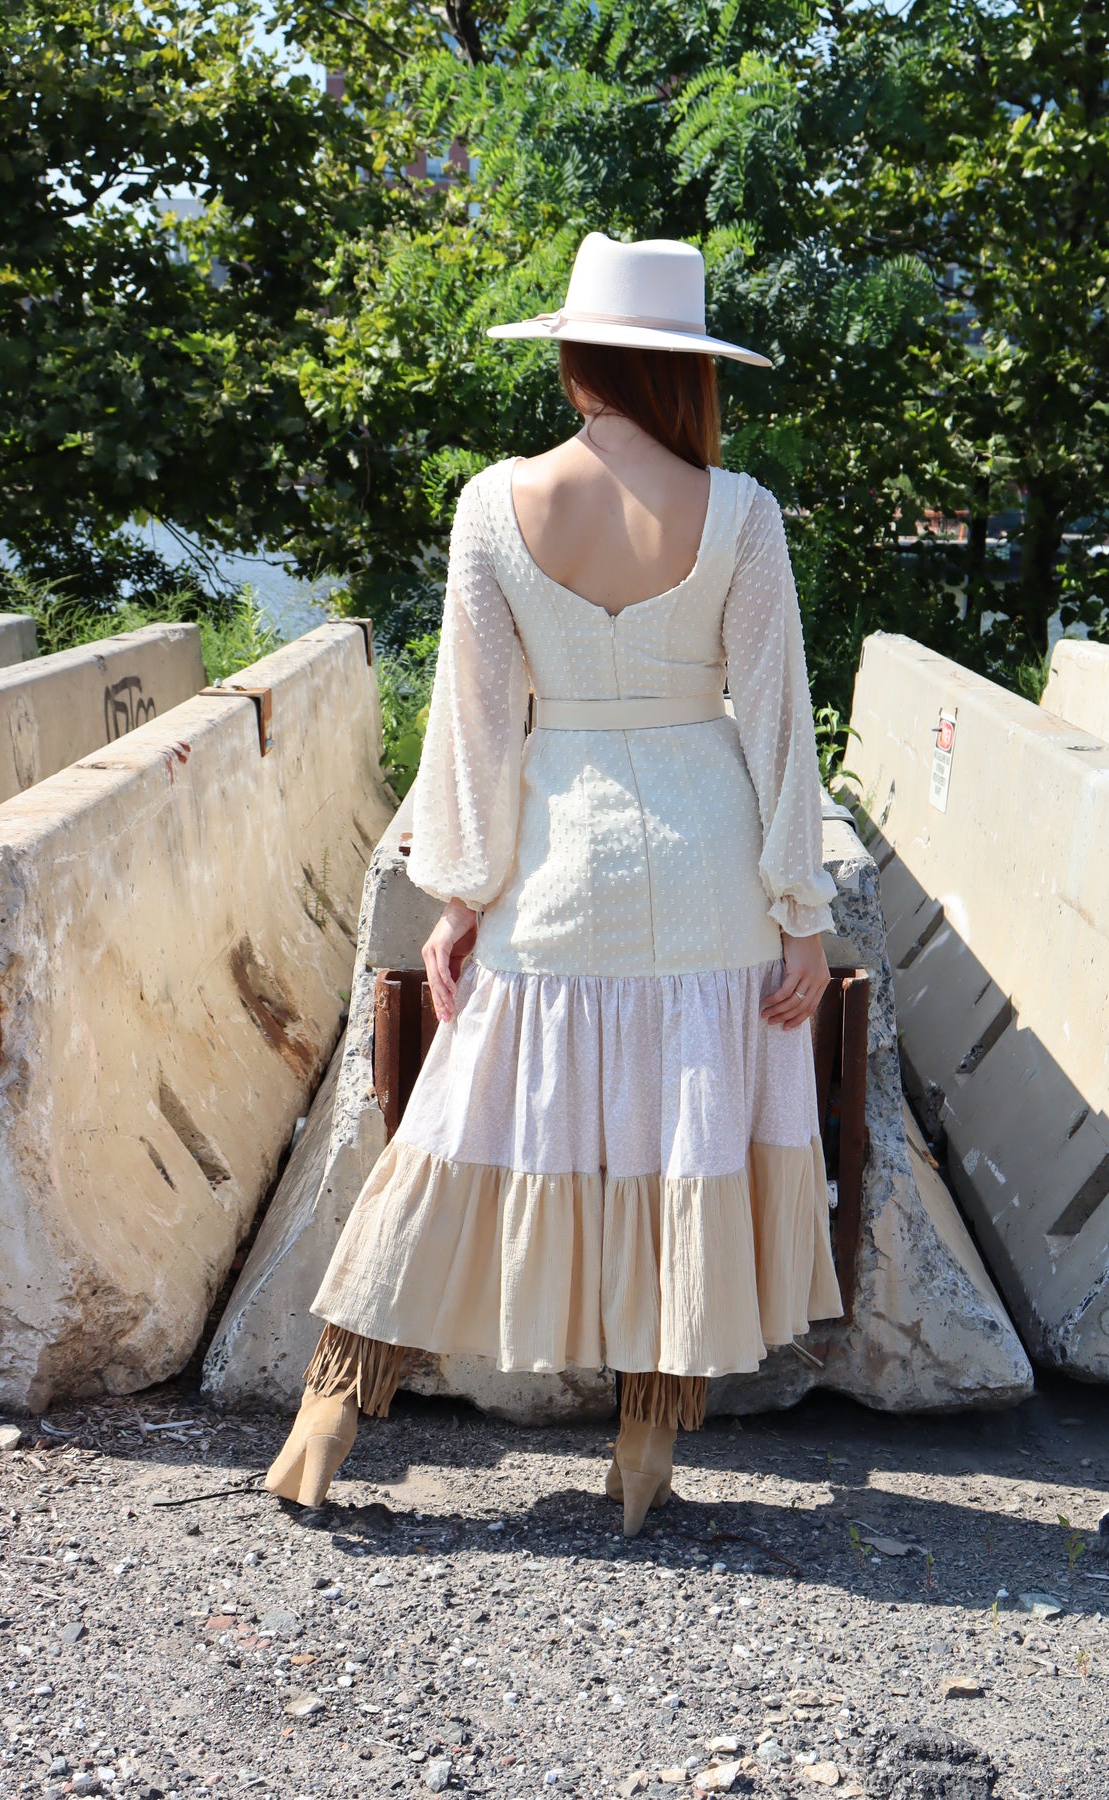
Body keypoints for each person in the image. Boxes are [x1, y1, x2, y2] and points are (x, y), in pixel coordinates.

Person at [264, 231, 844, 1536]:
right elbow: (779, 722)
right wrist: (801, 910)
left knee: (458, 1142)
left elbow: (468, 731)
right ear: (687, 373)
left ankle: (330, 1415)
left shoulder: (494, 505)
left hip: (558, 874)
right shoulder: (741, 512)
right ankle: (645, 1455)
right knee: (682, 1152)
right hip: (709, 871)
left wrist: (461, 897)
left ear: (575, 359)